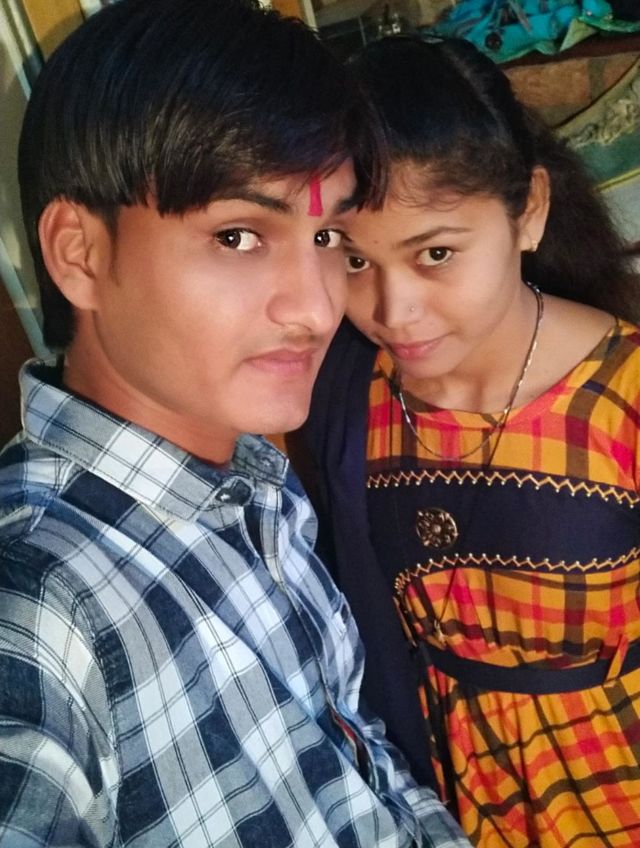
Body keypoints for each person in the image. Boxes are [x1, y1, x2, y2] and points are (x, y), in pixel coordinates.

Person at [0, 4, 471, 846]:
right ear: (80, 253)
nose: (317, 307)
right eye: (239, 235)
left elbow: (356, 760)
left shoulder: (253, 483)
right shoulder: (41, 603)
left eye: (328, 235)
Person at [288, 34, 640, 848]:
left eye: (437, 253)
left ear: (530, 211)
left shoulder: (621, 394)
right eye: (352, 259)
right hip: (441, 804)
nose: (394, 310)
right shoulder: (348, 394)